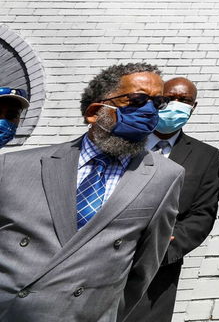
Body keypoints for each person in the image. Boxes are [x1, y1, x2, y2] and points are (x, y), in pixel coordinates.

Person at [0, 62, 184, 322]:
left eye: (157, 103)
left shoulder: (164, 176)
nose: (149, 111)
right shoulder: (15, 166)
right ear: (96, 111)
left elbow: (143, 270)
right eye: (137, 100)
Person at [129, 77, 219, 322]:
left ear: (194, 106)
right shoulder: (125, 142)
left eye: (184, 101)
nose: (175, 105)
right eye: (169, 98)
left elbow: (203, 214)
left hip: (158, 273)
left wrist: (166, 246)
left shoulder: (206, 156)